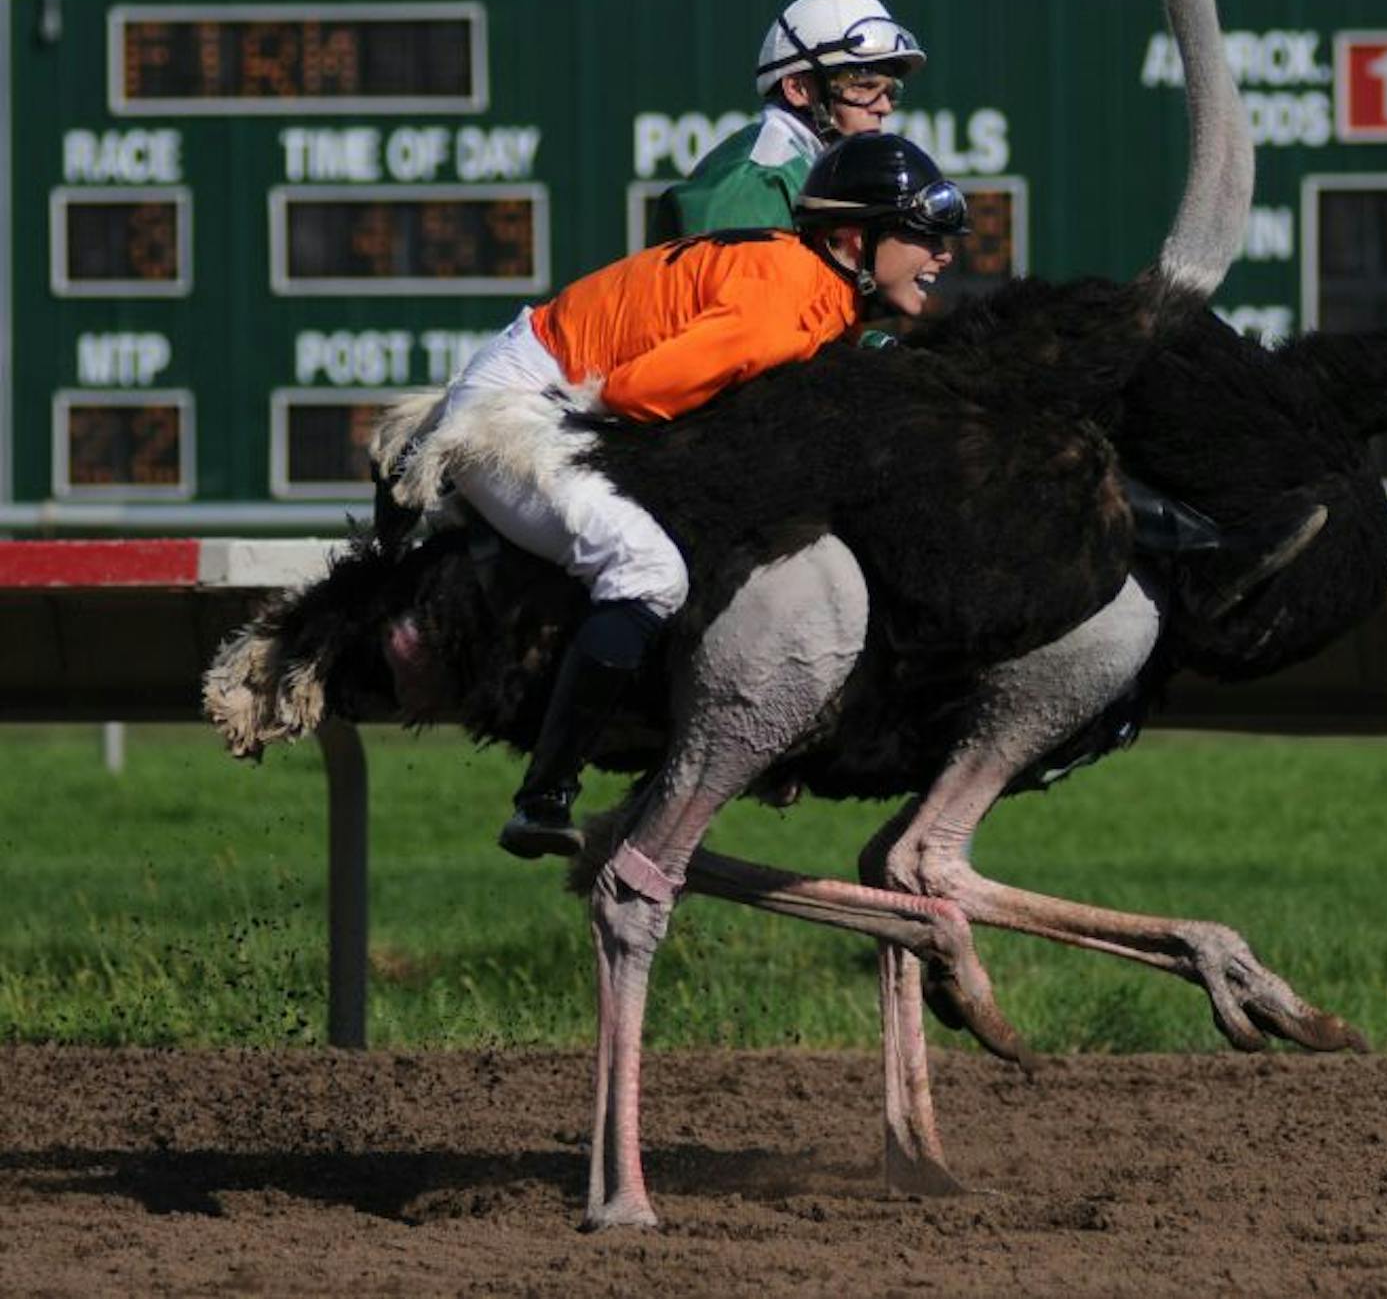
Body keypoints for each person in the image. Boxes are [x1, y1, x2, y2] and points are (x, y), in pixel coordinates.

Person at [376, 133, 968, 859]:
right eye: (921, 235)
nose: (942, 254)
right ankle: (544, 796)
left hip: (557, 387)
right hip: (523, 408)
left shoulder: (811, 285)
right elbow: (634, 393)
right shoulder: (778, 304)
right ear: (853, 237)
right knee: (648, 572)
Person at [660, 0, 927, 238]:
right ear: (798, 89)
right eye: (863, 86)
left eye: (890, 91)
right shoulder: (758, 182)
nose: (884, 107)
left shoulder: (810, 166)